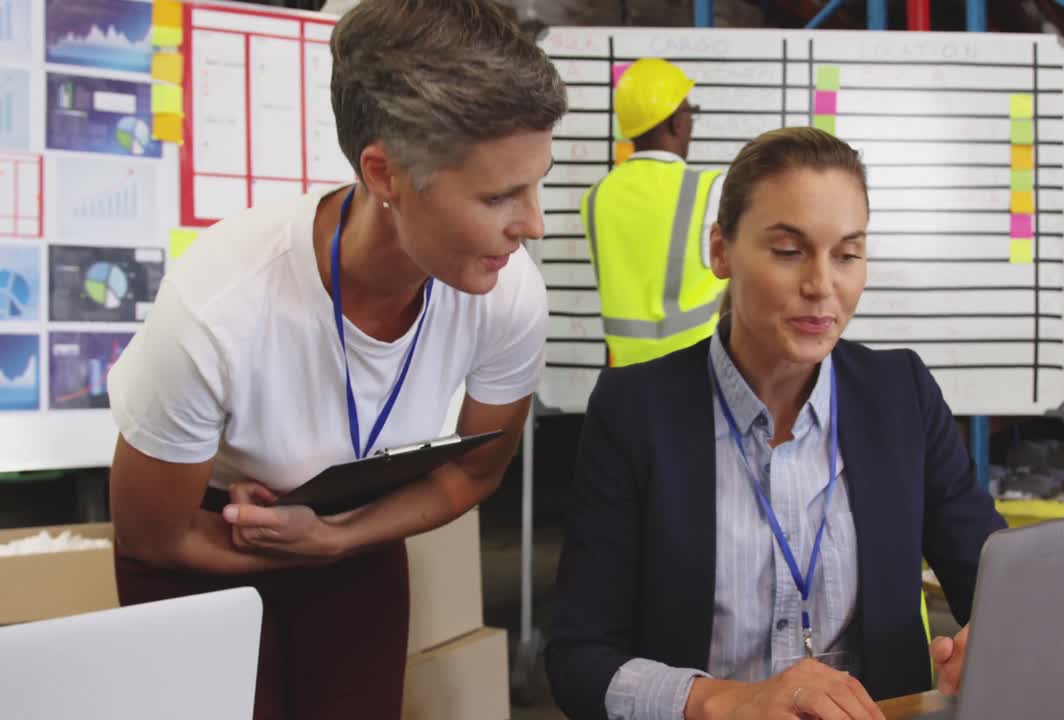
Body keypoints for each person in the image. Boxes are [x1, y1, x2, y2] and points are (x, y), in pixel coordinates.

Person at [104, 1, 566, 718]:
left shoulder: (508, 296)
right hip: (198, 547)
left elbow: (476, 471)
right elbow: (148, 533)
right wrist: (302, 544)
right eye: (500, 194)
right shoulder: (221, 302)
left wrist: (341, 537)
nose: (532, 223)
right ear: (384, 173)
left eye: (537, 183)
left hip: (356, 536)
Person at [546, 127, 1007, 720]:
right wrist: (723, 700)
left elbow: (995, 578)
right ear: (720, 251)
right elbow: (579, 658)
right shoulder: (636, 410)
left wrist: (993, 641)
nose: (821, 286)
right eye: (789, 252)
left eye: (846, 254)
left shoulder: (901, 395)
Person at [581, 58, 726, 367]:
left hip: (624, 376)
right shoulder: (710, 188)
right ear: (676, 121)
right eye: (690, 113)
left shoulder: (596, 197)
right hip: (696, 373)